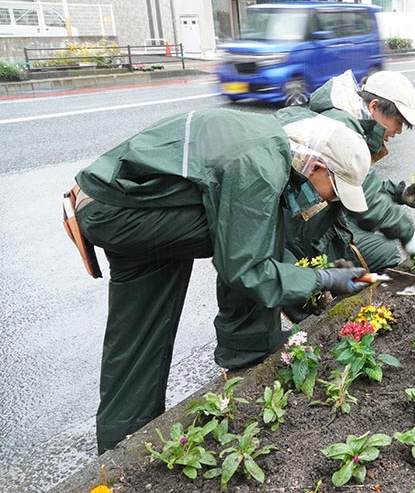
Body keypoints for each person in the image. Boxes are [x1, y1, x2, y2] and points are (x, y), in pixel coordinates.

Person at [71, 110, 372, 452]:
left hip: (118, 203)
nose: (328, 200)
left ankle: (119, 447)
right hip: (124, 211)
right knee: (249, 231)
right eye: (334, 191)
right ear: (317, 167)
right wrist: (324, 278)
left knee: (137, 339)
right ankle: (247, 344)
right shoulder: (260, 165)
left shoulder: (273, 139)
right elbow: (246, 266)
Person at [274, 71, 415, 322]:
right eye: (399, 121)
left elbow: (357, 184)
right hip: (296, 235)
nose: (399, 131)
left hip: (326, 225)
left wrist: (398, 192)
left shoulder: (357, 123)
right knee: (309, 304)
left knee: (383, 255)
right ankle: (302, 304)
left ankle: (344, 297)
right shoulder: (343, 124)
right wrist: (412, 237)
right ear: (374, 106)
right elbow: (367, 201)